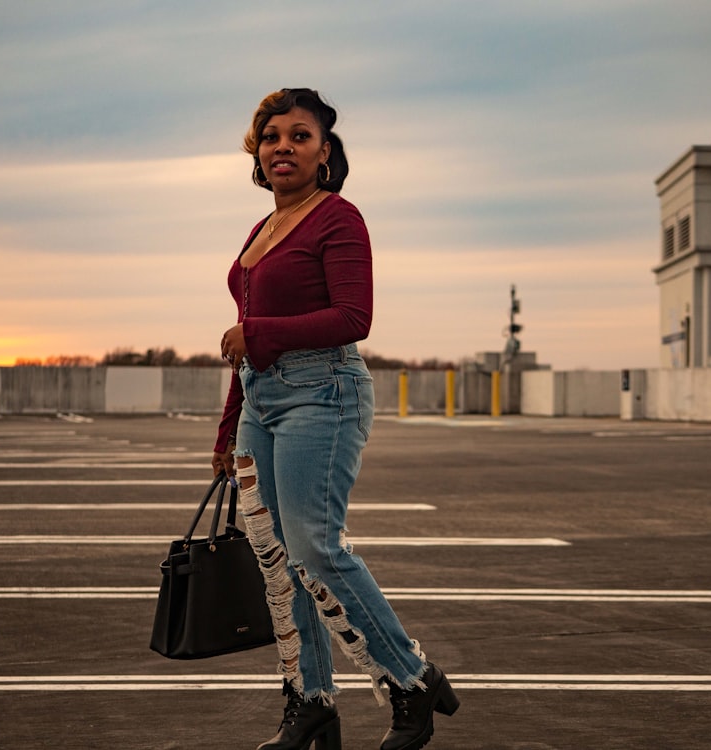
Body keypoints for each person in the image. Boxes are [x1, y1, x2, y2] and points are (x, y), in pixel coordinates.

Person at [212, 88, 459, 750]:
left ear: (325, 151)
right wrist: (227, 430)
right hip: (261, 401)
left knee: (317, 548)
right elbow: (246, 342)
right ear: (256, 154)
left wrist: (258, 332)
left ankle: (409, 679)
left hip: (324, 393)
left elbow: (355, 319)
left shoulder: (338, 218)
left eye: (299, 136)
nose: (283, 147)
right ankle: (311, 703)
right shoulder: (258, 231)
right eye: (271, 137)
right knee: (279, 562)